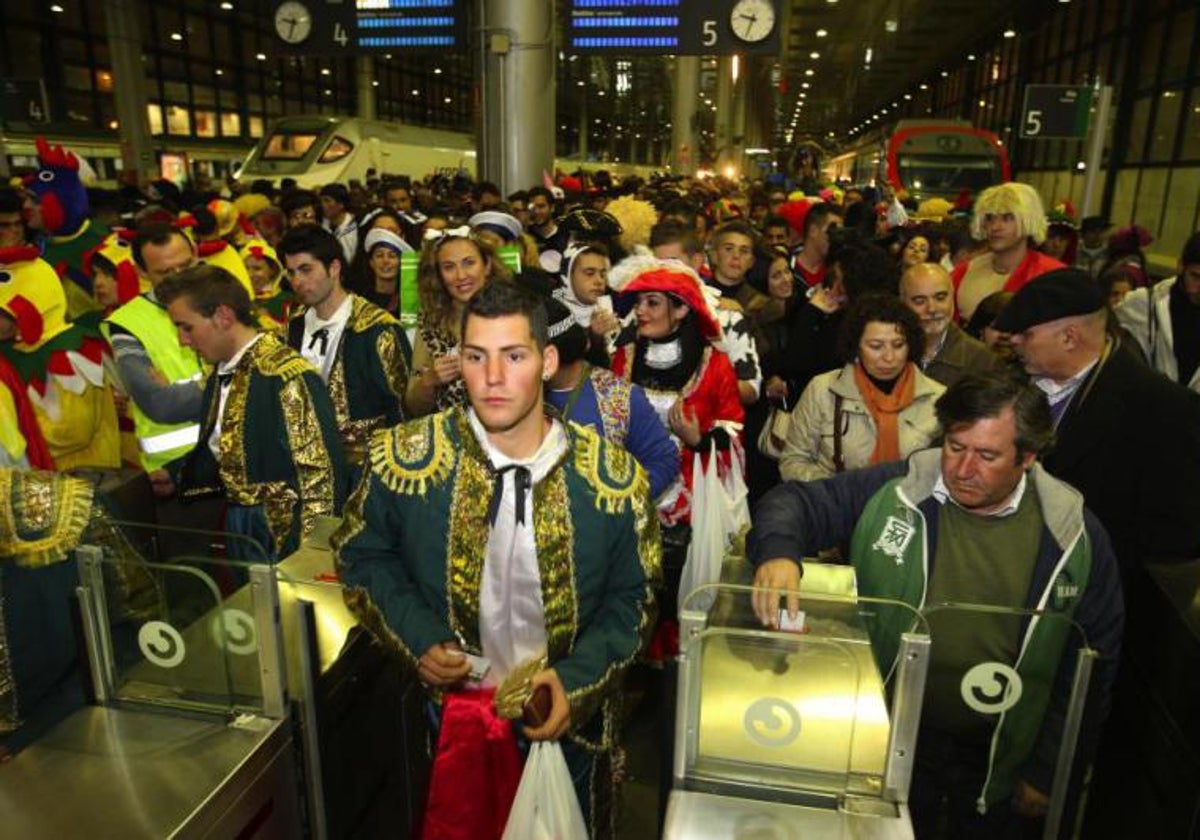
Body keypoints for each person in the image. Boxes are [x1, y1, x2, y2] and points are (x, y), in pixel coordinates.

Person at [333, 281, 660, 839]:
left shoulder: (613, 479)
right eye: (475, 356)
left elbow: (636, 598)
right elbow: (362, 556)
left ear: (548, 360)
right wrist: (419, 638)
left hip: (565, 727)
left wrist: (574, 682)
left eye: (514, 356)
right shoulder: (406, 458)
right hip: (446, 723)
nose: (492, 379)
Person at [749, 371, 1124, 839]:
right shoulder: (901, 490)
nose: (963, 469)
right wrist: (779, 553)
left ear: (1027, 458)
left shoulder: (1072, 536)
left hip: (998, 754)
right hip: (892, 736)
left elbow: (1092, 665)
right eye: (955, 446)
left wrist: (1049, 770)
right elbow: (794, 503)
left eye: (987, 455)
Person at [997, 268, 1200, 565]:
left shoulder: (1164, 410)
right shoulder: (1011, 383)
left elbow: (1174, 535)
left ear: (1069, 337)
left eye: (1026, 333)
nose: (1013, 340)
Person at [158, 264, 348, 560]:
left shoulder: (287, 377)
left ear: (223, 316)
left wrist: (311, 556)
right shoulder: (221, 371)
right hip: (240, 523)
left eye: (187, 327)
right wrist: (174, 474)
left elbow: (322, 477)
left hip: (283, 533)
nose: (183, 340)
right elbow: (229, 447)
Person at [277, 225, 410, 468]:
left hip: (368, 471)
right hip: (306, 471)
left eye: (306, 270)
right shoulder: (292, 328)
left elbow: (401, 411)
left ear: (334, 268)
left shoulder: (378, 329)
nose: (297, 281)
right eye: (291, 272)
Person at [780, 294, 944, 482]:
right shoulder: (823, 390)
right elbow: (792, 462)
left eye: (898, 345)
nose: (889, 357)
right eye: (876, 346)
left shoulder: (938, 398)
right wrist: (839, 492)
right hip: (837, 506)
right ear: (856, 346)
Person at [102, 223, 205, 490]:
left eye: (186, 265)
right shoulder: (128, 325)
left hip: (237, 456)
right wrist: (225, 385)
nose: (180, 277)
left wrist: (184, 392)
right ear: (143, 273)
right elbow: (160, 404)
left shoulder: (221, 296)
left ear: (195, 254)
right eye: (165, 273)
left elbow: (255, 379)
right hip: (174, 474)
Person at [543, 297, 678, 501]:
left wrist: (621, 509)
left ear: (549, 358)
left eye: (518, 356)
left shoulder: (618, 397)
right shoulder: (512, 396)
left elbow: (664, 460)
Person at [0, 246, 120, 472]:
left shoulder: (71, 352)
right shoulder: (13, 350)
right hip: (48, 483)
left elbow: (71, 432)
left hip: (83, 482)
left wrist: (11, 445)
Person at [405, 230, 513, 416]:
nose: (461, 275)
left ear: (486, 266)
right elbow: (412, 408)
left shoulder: (514, 313)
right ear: (438, 275)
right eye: (449, 267)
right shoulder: (430, 323)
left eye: (469, 263)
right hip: (450, 437)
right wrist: (429, 380)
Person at [951, 182, 1064, 324]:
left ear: (1027, 220)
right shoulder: (964, 272)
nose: (995, 227)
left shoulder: (1053, 276)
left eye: (1007, 218)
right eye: (990, 217)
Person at [1114, 231, 1200, 393]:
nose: (1199, 289)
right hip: (1150, 408)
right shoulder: (1143, 303)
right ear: (1181, 266)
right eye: (1195, 277)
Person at [901, 262, 1000, 388]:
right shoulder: (889, 352)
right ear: (903, 304)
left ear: (953, 298)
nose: (932, 309)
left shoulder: (983, 360)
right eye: (920, 301)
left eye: (940, 298)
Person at [319, 184, 358, 264]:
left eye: (327, 201)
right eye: (321, 201)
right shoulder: (321, 227)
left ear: (341, 204)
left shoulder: (356, 227)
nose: (322, 205)